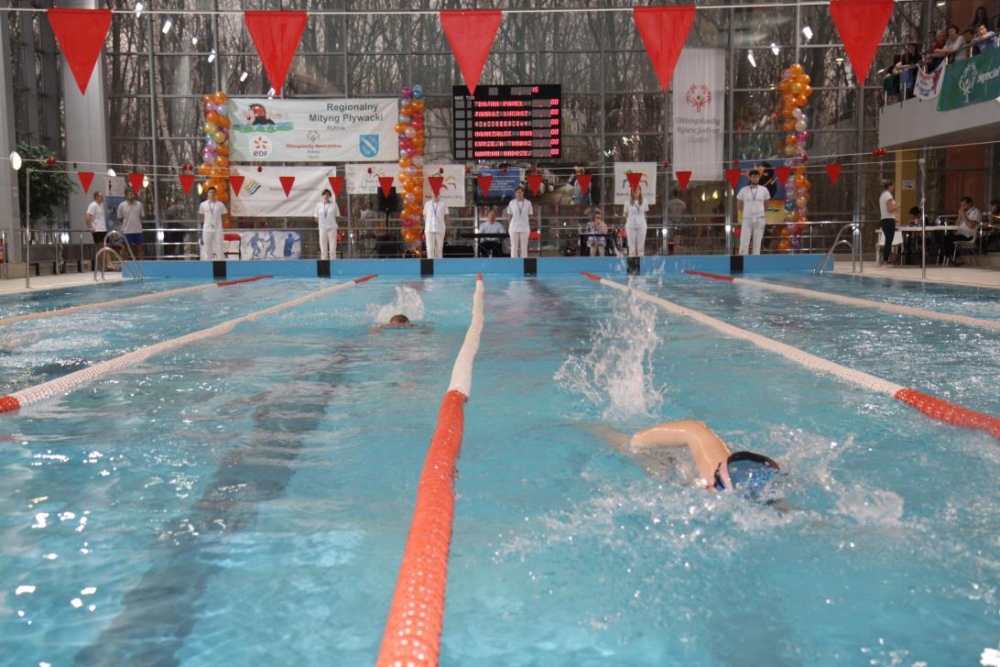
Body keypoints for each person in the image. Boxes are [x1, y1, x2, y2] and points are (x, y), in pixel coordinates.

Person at [594, 420, 782, 501]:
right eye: (716, 474)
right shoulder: (717, 476)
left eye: (718, 484)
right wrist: (635, 442)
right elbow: (695, 430)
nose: (709, 483)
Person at [736, 170, 770, 256]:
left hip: (759, 218)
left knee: (757, 242)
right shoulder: (743, 190)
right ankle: (743, 259)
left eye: (757, 177)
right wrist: (746, 212)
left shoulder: (764, 190)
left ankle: (755, 260)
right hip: (747, 218)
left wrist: (761, 212)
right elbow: (739, 204)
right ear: (750, 178)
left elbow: (766, 204)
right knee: (744, 241)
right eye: (753, 177)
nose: (755, 179)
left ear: (759, 178)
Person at [941, 196, 981, 265]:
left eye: (964, 205)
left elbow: (971, 226)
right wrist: (959, 216)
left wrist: (963, 215)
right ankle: (952, 257)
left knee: (948, 238)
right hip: (960, 233)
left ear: (970, 204)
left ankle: (956, 258)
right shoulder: (964, 212)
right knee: (944, 238)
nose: (963, 207)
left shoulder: (976, 212)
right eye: (962, 205)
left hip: (968, 235)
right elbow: (956, 225)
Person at [505, 185, 534, 259]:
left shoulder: (528, 203)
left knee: (524, 248)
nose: (518, 194)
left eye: (520, 192)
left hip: (524, 229)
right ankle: (514, 263)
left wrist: (526, 222)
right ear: (515, 194)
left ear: (523, 193)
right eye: (517, 192)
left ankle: (523, 263)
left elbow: (530, 215)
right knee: (514, 247)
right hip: (513, 229)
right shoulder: (511, 203)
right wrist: (511, 225)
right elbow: (509, 215)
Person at [198, 186, 226, 260]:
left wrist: (219, 224)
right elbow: (201, 216)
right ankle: (208, 263)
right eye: (210, 192)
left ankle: (220, 262)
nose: (212, 194)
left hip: (218, 229)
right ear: (207, 193)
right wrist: (207, 223)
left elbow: (224, 216)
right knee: (207, 248)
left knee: (219, 247)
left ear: (216, 194)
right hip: (207, 229)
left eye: (213, 192)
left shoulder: (220, 204)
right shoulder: (203, 205)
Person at [116, 188, 144, 260]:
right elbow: (119, 217)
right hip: (127, 231)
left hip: (137, 230)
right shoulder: (122, 205)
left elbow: (142, 216)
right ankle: (125, 264)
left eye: (133, 194)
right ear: (126, 196)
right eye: (130, 194)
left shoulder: (139, 204)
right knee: (126, 249)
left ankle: (141, 264)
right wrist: (126, 223)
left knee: (139, 248)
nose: (132, 196)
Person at [877, 178, 899, 267]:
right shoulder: (888, 195)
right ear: (890, 186)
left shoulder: (882, 195)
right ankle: (886, 261)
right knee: (888, 241)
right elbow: (890, 209)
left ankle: (886, 259)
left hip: (884, 220)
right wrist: (897, 206)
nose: (893, 188)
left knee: (887, 240)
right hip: (889, 220)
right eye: (893, 186)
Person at [422, 190, 448, 259]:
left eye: (437, 193)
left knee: (439, 248)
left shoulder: (443, 204)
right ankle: (430, 263)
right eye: (434, 193)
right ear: (431, 194)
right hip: (429, 229)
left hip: (440, 229)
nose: (435, 195)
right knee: (430, 248)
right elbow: (424, 216)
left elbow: (446, 216)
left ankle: (439, 263)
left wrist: (440, 222)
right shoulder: (427, 204)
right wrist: (428, 223)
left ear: (439, 194)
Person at [85, 191, 108, 270]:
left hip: (103, 228)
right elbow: (88, 216)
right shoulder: (93, 205)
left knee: (104, 247)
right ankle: (104, 265)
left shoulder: (101, 205)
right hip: (97, 229)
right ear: (96, 197)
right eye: (101, 196)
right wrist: (90, 227)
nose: (102, 198)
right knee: (101, 247)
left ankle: (106, 265)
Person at [623, 186, 649, 257]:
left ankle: (641, 261)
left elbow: (645, 213)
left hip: (641, 226)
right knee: (631, 246)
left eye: (637, 189)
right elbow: (625, 214)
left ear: (640, 191)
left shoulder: (644, 201)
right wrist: (629, 221)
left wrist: (642, 221)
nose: (636, 191)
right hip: (631, 226)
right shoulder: (627, 202)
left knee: (641, 246)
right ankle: (632, 261)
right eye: (634, 190)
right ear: (631, 191)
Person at [315, 188, 338, 260]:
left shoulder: (334, 205)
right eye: (325, 194)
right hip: (322, 227)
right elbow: (316, 217)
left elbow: (337, 216)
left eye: (328, 195)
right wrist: (321, 224)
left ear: (330, 196)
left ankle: (333, 260)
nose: (326, 196)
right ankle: (324, 260)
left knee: (333, 246)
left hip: (332, 227)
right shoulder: (318, 205)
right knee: (323, 245)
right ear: (322, 196)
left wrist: (332, 222)